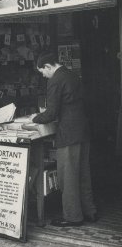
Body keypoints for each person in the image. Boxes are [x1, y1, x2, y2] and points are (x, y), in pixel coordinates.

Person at [32, 53, 97, 227]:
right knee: (83, 174)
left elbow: (51, 113)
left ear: (47, 66)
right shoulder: (71, 74)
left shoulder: (55, 80)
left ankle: (72, 217)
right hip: (83, 130)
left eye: (42, 72)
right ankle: (89, 211)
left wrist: (34, 118)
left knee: (67, 177)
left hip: (68, 133)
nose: (43, 76)